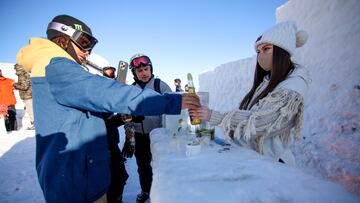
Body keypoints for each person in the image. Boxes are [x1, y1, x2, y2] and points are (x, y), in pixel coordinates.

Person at [16, 14, 200, 203]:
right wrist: (173, 102)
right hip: (75, 182)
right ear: (63, 40)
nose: (87, 51)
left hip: (77, 175)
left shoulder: (51, 67)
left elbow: (85, 115)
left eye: (91, 44)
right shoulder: (56, 67)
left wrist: (122, 118)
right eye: (84, 42)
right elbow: (114, 94)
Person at [190, 21, 309, 166]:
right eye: (258, 51)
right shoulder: (266, 81)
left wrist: (215, 116)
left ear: (281, 52)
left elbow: (261, 123)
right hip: (256, 159)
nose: (260, 55)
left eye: (266, 49)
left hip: (273, 163)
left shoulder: (293, 86)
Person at [122, 53, 173, 203]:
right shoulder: (130, 90)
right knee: (143, 166)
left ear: (151, 69)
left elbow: (172, 109)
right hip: (139, 135)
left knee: (161, 163)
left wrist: (170, 131)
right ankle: (146, 191)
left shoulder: (160, 85)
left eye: (146, 69)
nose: (143, 73)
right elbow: (126, 114)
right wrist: (129, 137)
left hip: (159, 134)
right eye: (139, 71)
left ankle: (166, 190)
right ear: (135, 73)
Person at [13, 64, 34, 130]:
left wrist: (14, 84)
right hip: (28, 95)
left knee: (30, 110)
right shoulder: (25, 74)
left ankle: (34, 124)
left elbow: (24, 87)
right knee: (30, 109)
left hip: (28, 96)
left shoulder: (22, 75)